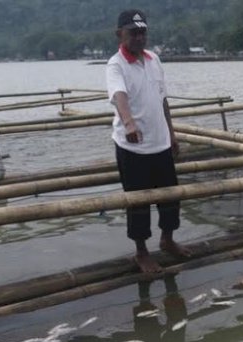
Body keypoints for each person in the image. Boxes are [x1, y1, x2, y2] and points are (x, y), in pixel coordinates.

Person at [106, 9, 191, 274]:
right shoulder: (116, 64)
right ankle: (141, 252)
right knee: (138, 203)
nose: (139, 38)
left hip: (160, 143)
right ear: (120, 34)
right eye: (134, 33)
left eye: (143, 32)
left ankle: (167, 240)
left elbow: (162, 99)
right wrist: (129, 123)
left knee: (170, 197)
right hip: (132, 147)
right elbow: (119, 95)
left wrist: (172, 133)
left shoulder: (154, 59)